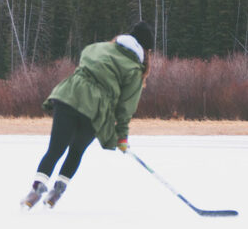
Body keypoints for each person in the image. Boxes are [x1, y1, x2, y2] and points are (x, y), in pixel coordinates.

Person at [21, 21, 154, 210]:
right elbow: (126, 107)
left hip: (69, 96)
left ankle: (35, 189)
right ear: (145, 51)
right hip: (96, 110)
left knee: (55, 149)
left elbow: (84, 57)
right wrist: (122, 136)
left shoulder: (98, 48)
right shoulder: (134, 70)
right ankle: (56, 192)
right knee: (76, 151)